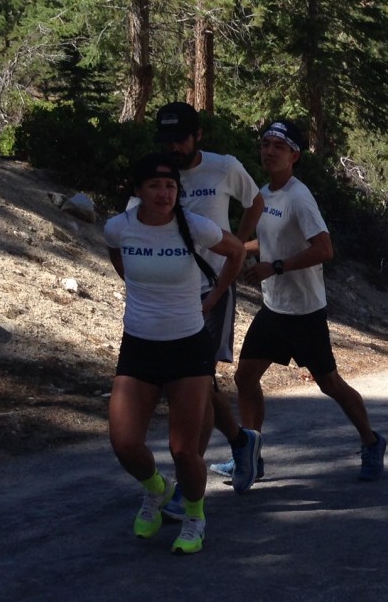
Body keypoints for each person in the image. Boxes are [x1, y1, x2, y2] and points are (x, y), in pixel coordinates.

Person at [105, 153, 246, 555]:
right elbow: (118, 255)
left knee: (184, 450)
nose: (163, 193)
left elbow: (236, 252)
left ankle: (196, 516)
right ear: (138, 191)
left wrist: (215, 295)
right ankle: (157, 491)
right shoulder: (120, 227)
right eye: (154, 186)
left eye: (169, 186)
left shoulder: (196, 226)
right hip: (139, 345)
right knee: (124, 442)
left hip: (188, 346)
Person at [234, 120, 387, 487]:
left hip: (304, 312)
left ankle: (371, 440)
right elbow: (268, 242)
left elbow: (324, 249)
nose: (269, 151)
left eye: (279, 147)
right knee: (244, 377)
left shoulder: (299, 198)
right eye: (265, 143)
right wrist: (238, 248)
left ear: (295, 156)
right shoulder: (264, 193)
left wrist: (277, 267)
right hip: (274, 308)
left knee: (330, 384)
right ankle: (251, 454)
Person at [142, 102, 266, 503]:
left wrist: (239, 245)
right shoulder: (160, 173)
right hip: (170, 293)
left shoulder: (224, 166)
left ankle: (186, 484)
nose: (173, 147)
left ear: (198, 136)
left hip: (212, 289)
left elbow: (256, 202)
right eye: (167, 140)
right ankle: (239, 439)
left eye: (180, 139)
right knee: (199, 383)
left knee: (196, 381)